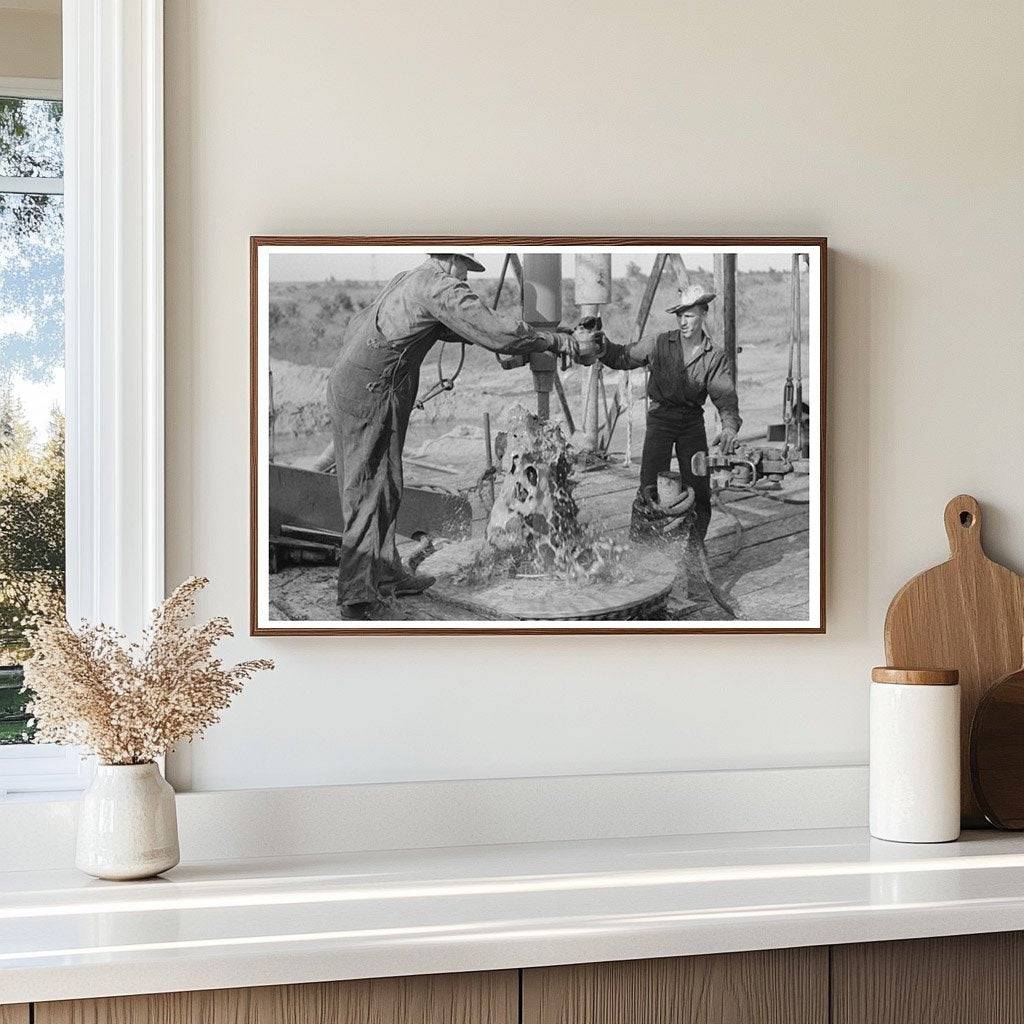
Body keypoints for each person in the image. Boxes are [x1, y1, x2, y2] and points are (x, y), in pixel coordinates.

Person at [327, 253, 600, 620]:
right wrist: (556, 343)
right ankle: (358, 598)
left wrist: (551, 335)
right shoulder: (437, 285)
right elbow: (494, 331)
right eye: (465, 270)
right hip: (373, 390)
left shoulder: (411, 279)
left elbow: (467, 328)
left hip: (353, 383)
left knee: (386, 484)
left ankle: (386, 570)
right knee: (368, 489)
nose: (465, 280)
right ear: (450, 259)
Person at [597, 283, 741, 542]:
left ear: (703, 314)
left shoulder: (714, 356)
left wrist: (729, 427)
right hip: (661, 420)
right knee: (649, 487)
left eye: (689, 316)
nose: (683, 322)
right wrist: (600, 344)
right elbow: (621, 357)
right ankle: (642, 547)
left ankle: (694, 551)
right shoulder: (659, 343)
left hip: (692, 424)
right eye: (679, 316)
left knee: (699, 489)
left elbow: (726, 398)